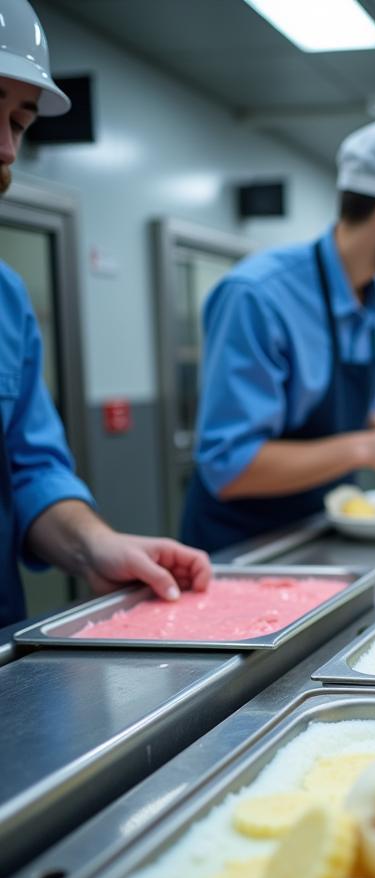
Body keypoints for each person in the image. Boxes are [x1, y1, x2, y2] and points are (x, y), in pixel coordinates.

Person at [0, 0, 209, 630]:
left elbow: (30, 469)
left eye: (18, 120)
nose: (6, 149)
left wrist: (93, 543)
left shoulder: (7, 299)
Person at [180, 116, 375, 553]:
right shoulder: (258, 297)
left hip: (325, 532)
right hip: (240, 548)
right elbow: (229, 466)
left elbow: (355, 409)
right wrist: (366, 448)